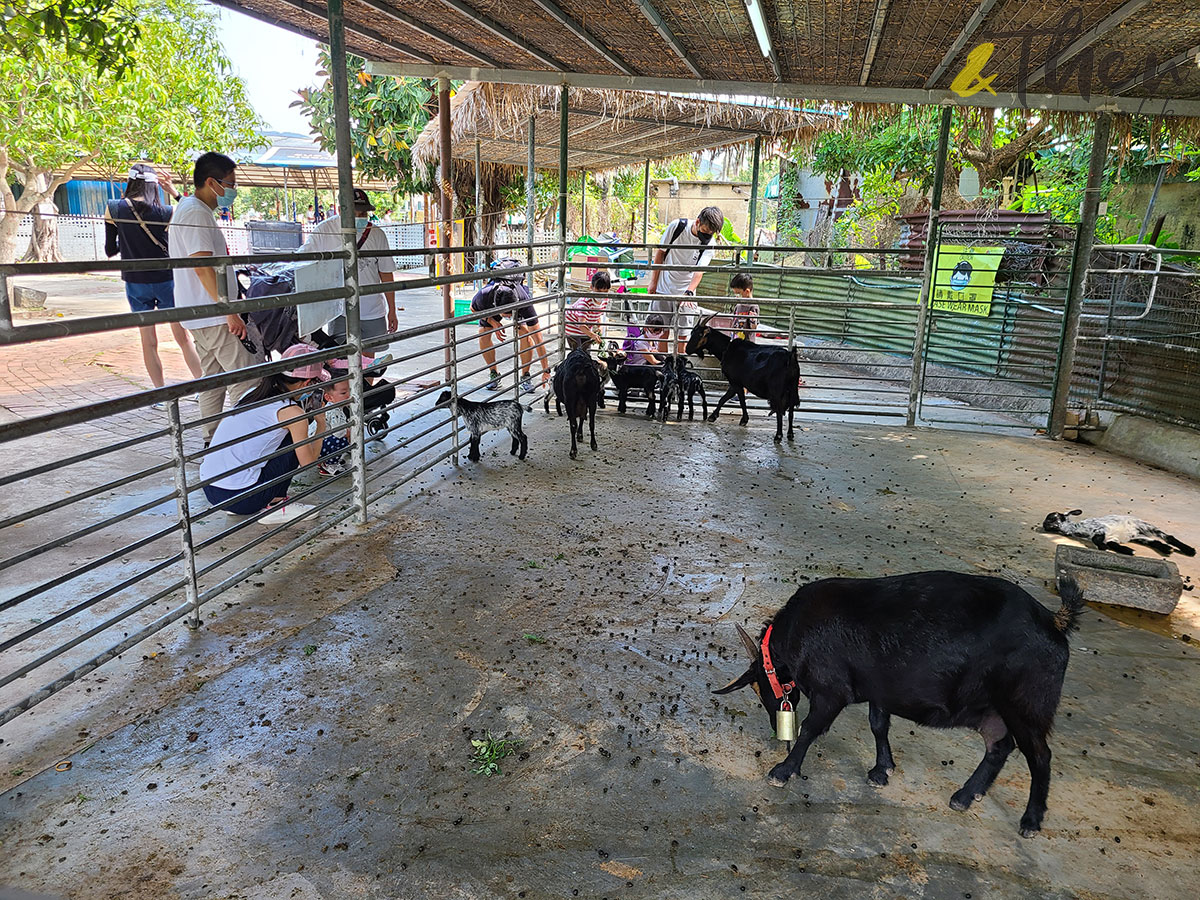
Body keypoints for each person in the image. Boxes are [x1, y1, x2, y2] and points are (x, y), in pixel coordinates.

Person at [169, 151, 261, 443]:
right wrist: (228, 310)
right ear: (212, 182)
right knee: (245, 378)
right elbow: (202, 266)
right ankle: (240, 443)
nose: (233, 191)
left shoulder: (188, 209)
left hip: (199, 314)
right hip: (213, 314)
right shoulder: (195, 212)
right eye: (230, 184)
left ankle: (213, 441)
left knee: (212, 381)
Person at [199, 344, 329, 524]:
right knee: (293, 437)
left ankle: (249, 501)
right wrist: (321, 424)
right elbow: (308, 462)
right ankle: (275, 505)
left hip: (212, 491)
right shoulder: (292, 413)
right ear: (307, 383)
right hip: (243, 497)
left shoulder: (254, 393)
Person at [104, 163, 203, 396]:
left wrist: (129, 243)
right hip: (166, 279)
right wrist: (175, 192)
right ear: (154, 186)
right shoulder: (167, 212)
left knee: (148, 341)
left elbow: (110, 250)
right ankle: (201, 385)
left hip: (135, 281)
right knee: (183, 337)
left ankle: (159, 393)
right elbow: (193, 215)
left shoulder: (114, 209)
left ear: (130, 182)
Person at [300, 188, 397, 341]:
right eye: (354, 213)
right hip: (339, 312)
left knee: (369, 360)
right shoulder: (324, 230)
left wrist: (392, 309)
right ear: (340, 210)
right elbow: (303, 262)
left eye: (363, 214)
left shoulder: (377, 234)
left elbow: (386, 273)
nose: (359, 218)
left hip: (372, 310)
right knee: (339, 359)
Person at [648, 206, 724, 354]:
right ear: (697, 222)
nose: (707, 237)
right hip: (664, 287)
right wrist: (653, 282)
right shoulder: (677, 227)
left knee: (683, 335)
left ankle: (679, 368)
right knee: (662, 332)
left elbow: (699, 271)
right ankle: (664, 366)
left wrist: (689, 292)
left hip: (687, 291)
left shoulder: (709, 243)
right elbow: (660, 253)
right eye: (705, 232)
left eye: (711, 234)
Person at [469, 258, 549, 393]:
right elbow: (473, 308)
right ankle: (494, 374)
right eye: (505, 314)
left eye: (510, 314)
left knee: (526, 334)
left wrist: (546, 370)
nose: (508, 317)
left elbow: (538, 339)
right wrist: (493, 322)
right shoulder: (484, 295)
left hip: (517, 305)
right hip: (492, 309)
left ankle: (525, 375)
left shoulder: (524, 301)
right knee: (483, 334)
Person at [564, 270, 612, 351]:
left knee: (586, 352)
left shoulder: (605, 299)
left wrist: (599, 325)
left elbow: (598, 313)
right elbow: (581, 325)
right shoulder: (585, 303)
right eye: (598, 291)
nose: (601, 295)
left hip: (586, 328)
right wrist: (593, 335)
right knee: (577, 353)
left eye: (605, 291)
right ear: (591, 287)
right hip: (573, 328)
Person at [729, 272, 760, 339]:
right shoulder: (738, 305)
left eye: (738, 293)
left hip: (746, 343)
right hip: (735, 339)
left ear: (747, 291)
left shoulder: (753, 306)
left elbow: (753, 328)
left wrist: (753, 319)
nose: (736, 296)